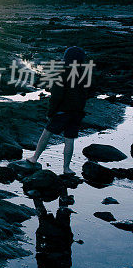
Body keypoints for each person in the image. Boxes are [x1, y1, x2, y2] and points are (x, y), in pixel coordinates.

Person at [26, 46, 90, 174]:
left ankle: (34, 158)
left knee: (46, 134)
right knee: (69, 140)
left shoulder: (61, 74)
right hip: (76, 113)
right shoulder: (84, 75)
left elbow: (56, 97)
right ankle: (66, 168)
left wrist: (50, 113)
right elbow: (86, 94)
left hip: (61, 112)